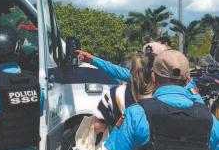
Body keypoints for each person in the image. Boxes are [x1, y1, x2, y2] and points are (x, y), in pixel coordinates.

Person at [76, 42, 204, 104]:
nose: (148, 60)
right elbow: (116, 70)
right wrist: (93, 60)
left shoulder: (137, 113)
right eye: (147, 56)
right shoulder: (141, 77)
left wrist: (93, 60)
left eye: (153, 57)